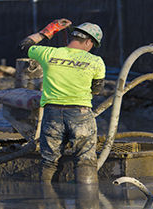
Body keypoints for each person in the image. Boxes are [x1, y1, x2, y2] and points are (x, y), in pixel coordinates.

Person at [19, 19, 106, 184]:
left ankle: (49, 202)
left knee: (49, 162)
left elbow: (24, 45)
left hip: (52, 114)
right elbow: (97, 90)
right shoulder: (96, 62)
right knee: (85, 160)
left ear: (72, 36)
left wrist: (49, 29)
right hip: (80, 114)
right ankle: (86, 204)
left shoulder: (49, 54)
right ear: (89, 42)